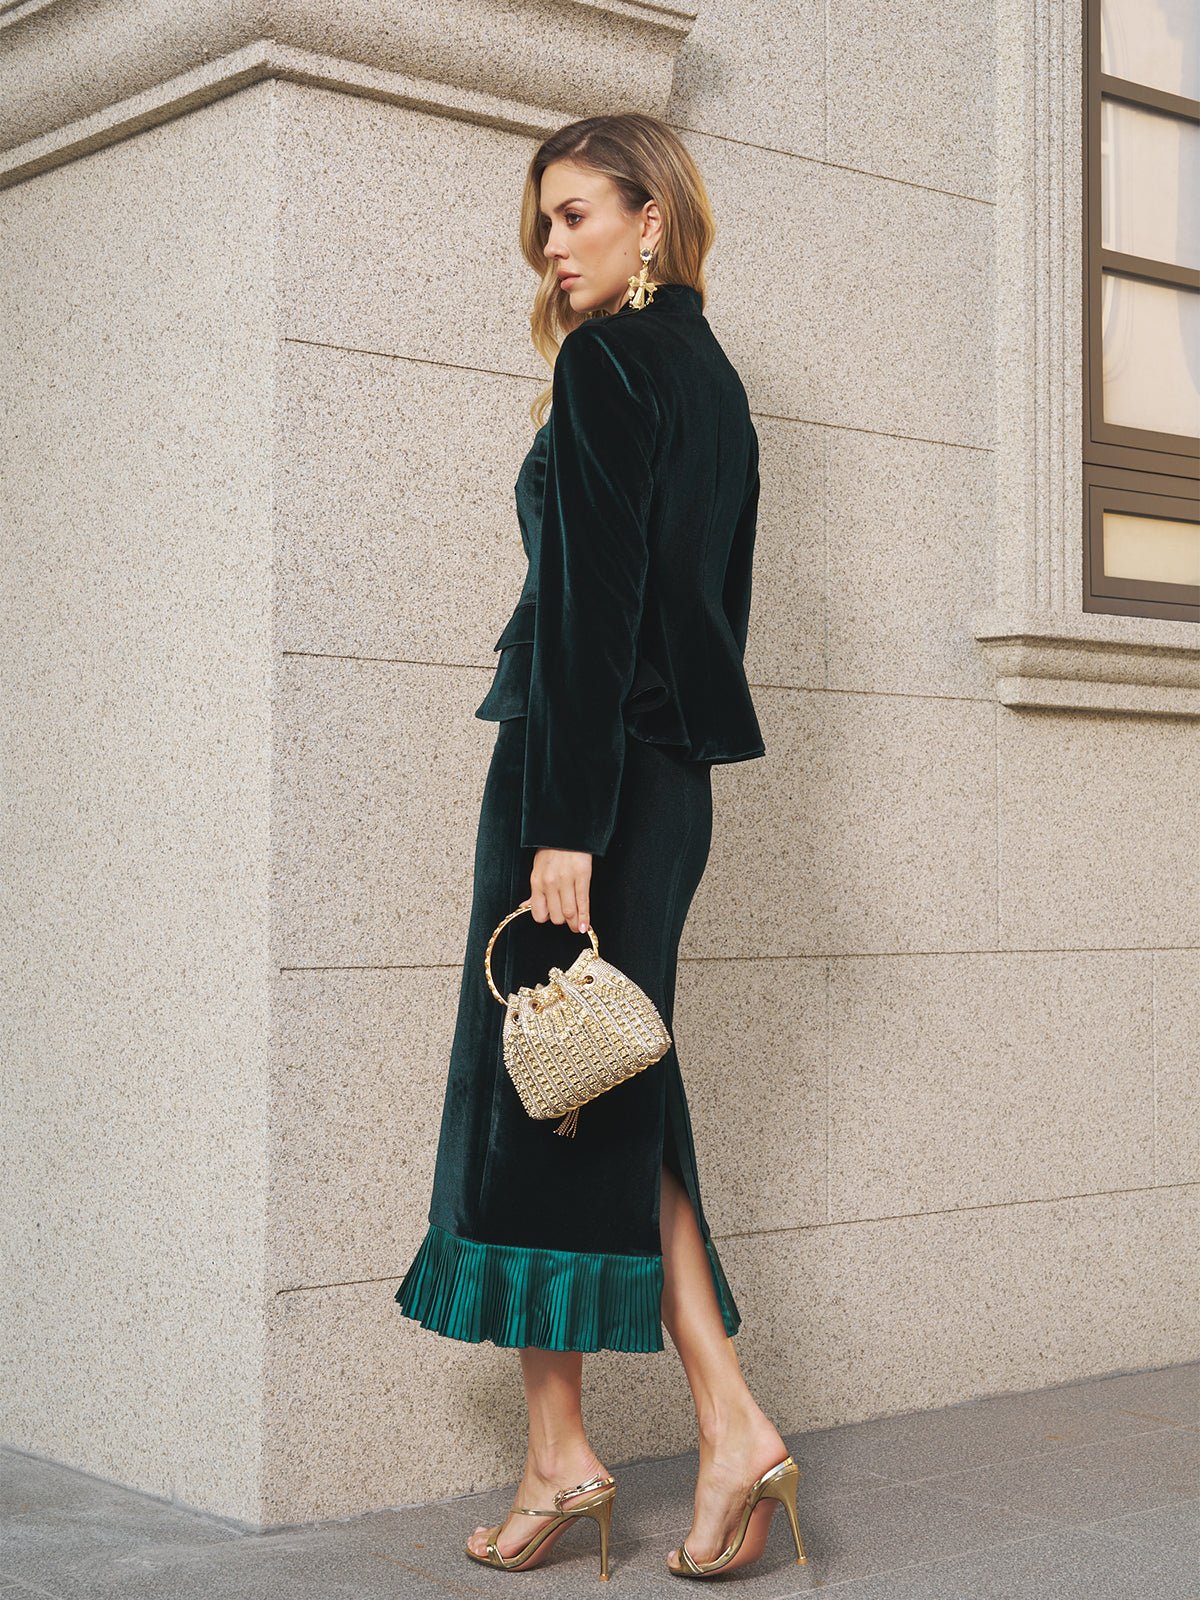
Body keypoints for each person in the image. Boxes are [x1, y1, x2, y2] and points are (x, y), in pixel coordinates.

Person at [393, 112, 808, 1582]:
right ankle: (624, 1441)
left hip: (585, 779)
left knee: (551, 1095)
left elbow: (591, 608)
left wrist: (564, 820)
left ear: (652, 217)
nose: (552, 246)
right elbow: (708, 615)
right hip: (665, 779)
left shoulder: (611, 363)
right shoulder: (714, 380)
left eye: (577, 215)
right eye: (544, 222)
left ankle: (646, 1439)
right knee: (599, 1090)